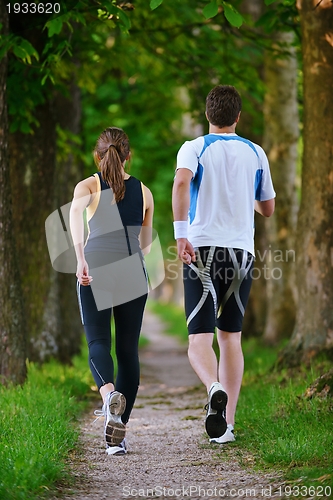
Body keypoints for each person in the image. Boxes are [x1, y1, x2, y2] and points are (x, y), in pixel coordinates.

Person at [172, 85, 275, 444]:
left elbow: (182, 181)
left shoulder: (194, 147)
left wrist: (180, 233)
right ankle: (226, 427)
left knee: (198, 339)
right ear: (238, 117)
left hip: (200, 249)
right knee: (231, 338)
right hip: (240, 252)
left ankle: (212, 386)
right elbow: (268, 207)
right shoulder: (256, 151)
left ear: (207, 115)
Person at [70, 127, 154, 455]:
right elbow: (145, 245)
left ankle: (108, 399)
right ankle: (118, 429)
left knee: (98, 342)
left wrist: (80, 259)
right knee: (128, 352)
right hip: (133, 269)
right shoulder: (145, 192)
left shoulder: (88, 185)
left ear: (98, 155)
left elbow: (75, 215)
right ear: (128, 155)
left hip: (95, 267)